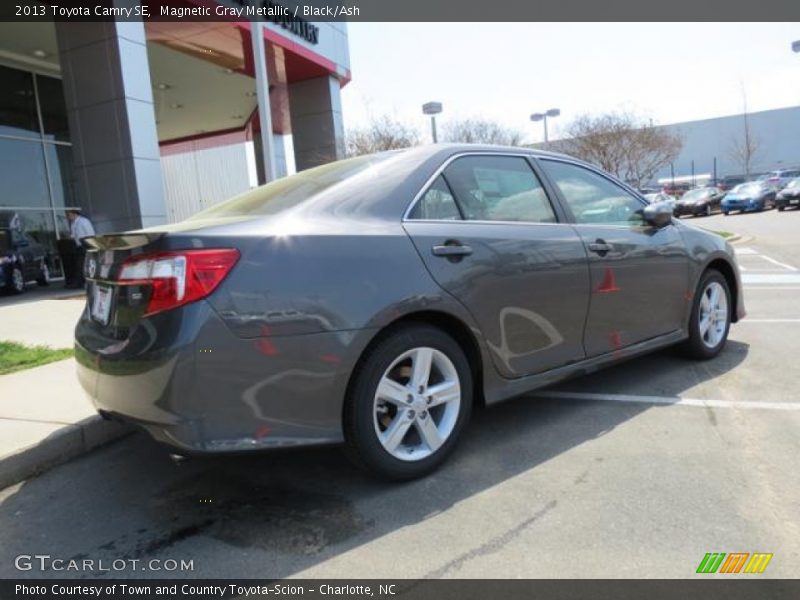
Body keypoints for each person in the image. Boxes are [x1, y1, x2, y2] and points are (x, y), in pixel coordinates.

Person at [65, 208, 95, 289]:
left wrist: (91, 244)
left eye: (69, 215)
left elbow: (90, 233)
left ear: (74, 214)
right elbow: (74, 235)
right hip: (78, 246)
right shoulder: (73, 224)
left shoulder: (84, 221)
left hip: (86, 245)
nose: (68, 217)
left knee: (83, 264)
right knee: (79, 265)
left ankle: (84, 283)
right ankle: (80, 283)